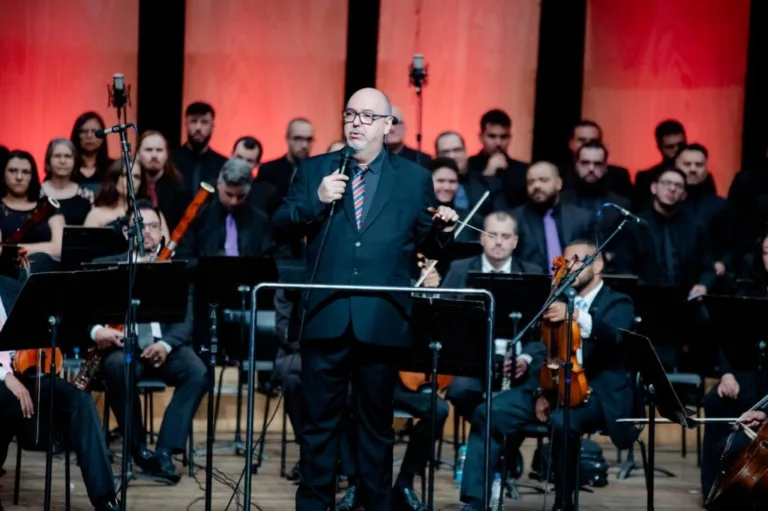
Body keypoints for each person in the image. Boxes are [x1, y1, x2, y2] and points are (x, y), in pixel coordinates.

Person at [272, 87, 458, 511]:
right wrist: (315, 203)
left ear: (387, 126)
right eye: (350, 114)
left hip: (381, 321)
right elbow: (279, 226)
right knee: (319, 431)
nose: (356, 122)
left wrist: (444, 230)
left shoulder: (413, 179)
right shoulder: (315, 170)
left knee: (376, 431)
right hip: (325, 317)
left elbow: (427, 243)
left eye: (367, 116)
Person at [459, 240, 636, 511]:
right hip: (553, 388)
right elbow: (544, 353)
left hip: (597, 393)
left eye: (577, 261)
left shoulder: (618, 302)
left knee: (564, 421)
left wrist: (576, 315)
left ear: (597, 265)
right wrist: (543, 392)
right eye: (566, 263)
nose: (569, 268)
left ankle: (563, 503)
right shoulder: (557, 300)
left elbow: (616, 336)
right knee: (488, 412)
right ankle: (476, 500)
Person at [90, 200, 207, 483]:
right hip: (123, 346)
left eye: (154, 226)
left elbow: (186, 319)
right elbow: (83, 312)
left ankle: (165, 450)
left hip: (164, 345)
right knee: (119, 367)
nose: (149, 233)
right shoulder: (105, 267)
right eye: (142, 227)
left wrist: (165, 345)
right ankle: (137, 448)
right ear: (127, 232)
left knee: (198, 372)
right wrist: (97, 331)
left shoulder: (175, 267)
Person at [0, 273, 119, 510]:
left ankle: (105, 499)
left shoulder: (14, 286)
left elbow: (53, 325)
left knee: (80, 402)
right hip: (3, 378)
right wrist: (5, 376)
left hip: (26, 373)